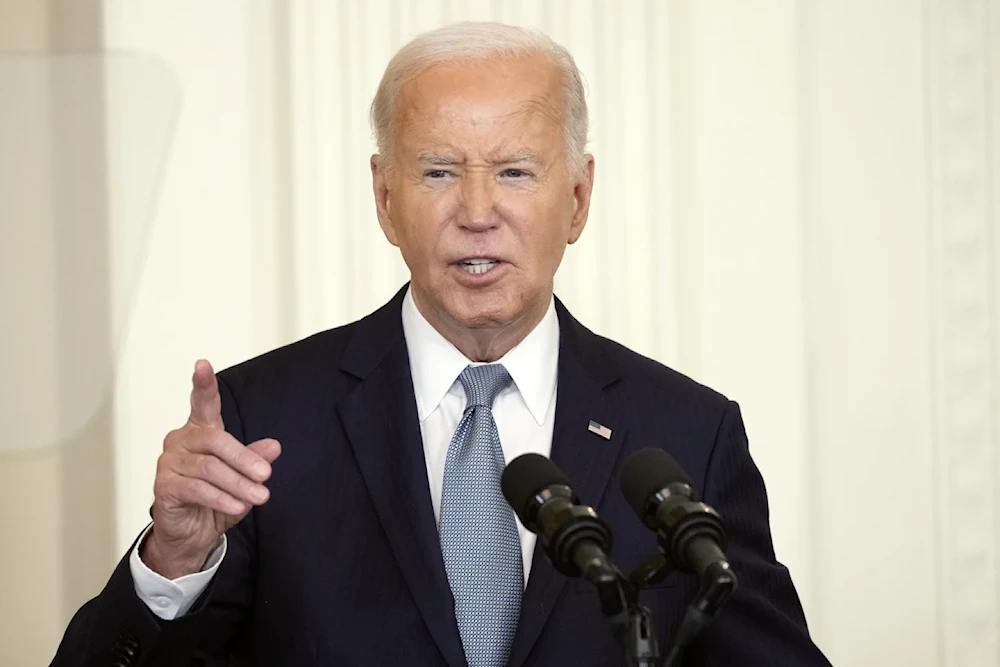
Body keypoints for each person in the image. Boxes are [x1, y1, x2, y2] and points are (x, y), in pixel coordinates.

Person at [53, 21, 831, 667]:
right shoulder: (261, 427)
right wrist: (172, 559)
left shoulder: (688, 435)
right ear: (385, 199)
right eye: (437, 172)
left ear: (580, 198)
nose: (478, 210)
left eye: (517, 171)